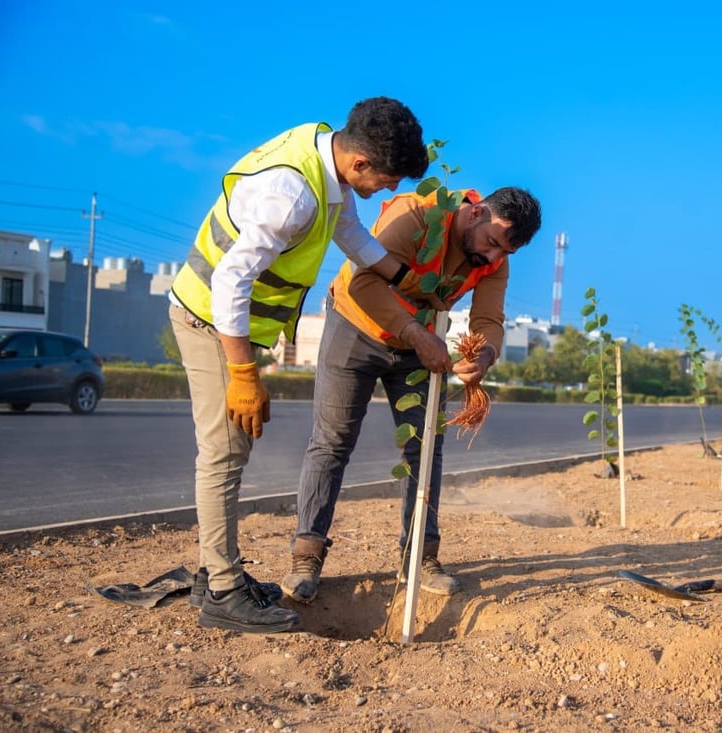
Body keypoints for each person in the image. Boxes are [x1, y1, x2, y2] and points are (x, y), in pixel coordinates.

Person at [167, 97, 429, 633]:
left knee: (230, 449)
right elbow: (230, 280)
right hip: (208, 317)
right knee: (225, 452)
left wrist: (405, 279)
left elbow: (350, 233)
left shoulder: (324, 152)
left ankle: (215, 574)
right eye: (387, 180)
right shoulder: (292, 197)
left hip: (223, 320)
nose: (389, 191)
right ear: (360, 162)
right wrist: (243, 375)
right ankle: (221, 592)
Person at [282, 185, 542, 603]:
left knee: (423, 448)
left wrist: (485, 354)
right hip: (356, 327)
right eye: (492, 243)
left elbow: (489, 318)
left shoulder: (496, 258)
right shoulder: (417, 214)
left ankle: (420, 557)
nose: (493, 256)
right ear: (476, 213)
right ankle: (306, 557)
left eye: (504, 252)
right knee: (332, 442)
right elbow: (364, 284)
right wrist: (416, 334)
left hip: (421, 344)